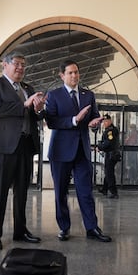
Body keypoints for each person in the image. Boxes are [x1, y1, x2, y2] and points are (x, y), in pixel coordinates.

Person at [42, 59, 112, 242]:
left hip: (82, 150)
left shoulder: (88, 95)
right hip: (60, 151)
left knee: (85, 192)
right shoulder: (54, 95)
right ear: (62, 75)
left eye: (76, 72)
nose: (74, 76)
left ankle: (92, 228)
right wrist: (74, 120)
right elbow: (51, 122)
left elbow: (95, 116)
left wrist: (94, 123)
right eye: (70, 73)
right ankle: (64, 228)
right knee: (61, 192)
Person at [0, 52, 46, 250]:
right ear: (5, 65)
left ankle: (20, 230)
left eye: (23, 65)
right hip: (1, 147)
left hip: (25, 146)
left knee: (22, 193)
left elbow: (34, 116)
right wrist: (24, 104)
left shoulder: (28, 88)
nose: (20, 68)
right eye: (17, 64)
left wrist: (38, 110)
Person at [97, 114, 120, 198]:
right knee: (108, 172)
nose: (105, 123)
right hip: (110, 154)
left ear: (110, 121)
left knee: (109, 173)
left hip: (112, 154)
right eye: (104, 121)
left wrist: (100, 147)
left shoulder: (111, 131)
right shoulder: (110, 130)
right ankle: (105, 189)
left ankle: (114, 192)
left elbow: (108, 143)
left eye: (106, 121)